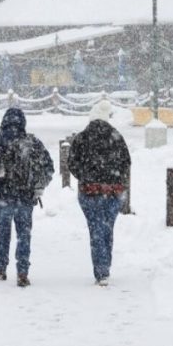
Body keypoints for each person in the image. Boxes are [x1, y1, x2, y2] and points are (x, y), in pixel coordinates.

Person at [0, 108, 54, 287]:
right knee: (24, 234)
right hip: (25, 196)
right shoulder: (32, 142)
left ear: (4, 122)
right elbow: (48, 166)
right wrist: (39, 186)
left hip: (2, 195)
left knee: (3, 232)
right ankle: (23, 271)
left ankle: (1, 267)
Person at [68, 99, 131, 286]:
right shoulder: (116, 136)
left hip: (89, 192)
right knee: (107, 229)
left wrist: (85, 176)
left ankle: (101, 270)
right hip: (113, 192)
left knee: (95, 229)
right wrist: (115, 178)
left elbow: (71, 163)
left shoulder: (81, 137)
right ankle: (105, 266)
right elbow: (126, 162)